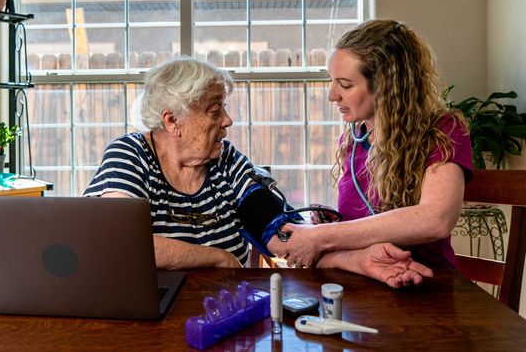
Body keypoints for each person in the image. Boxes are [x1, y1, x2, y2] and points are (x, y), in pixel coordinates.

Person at [84, 57, 432, 287]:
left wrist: (360, 259)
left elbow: (282, 236)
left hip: (220, 307)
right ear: (172, 120)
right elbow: (119, 241)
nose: (227, 121)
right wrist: (216, 258)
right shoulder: (130, 154)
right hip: (147, 313)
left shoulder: (228, 161)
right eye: (214, 110)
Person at [279, 20, 473, 269]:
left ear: (385, 86)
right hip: (362, 283)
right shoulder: (352, 140)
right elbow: (362, 225)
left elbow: (436, 219)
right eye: (332, 81)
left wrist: (323, 237)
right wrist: (334, 224)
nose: (332, 95)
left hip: (427, 288)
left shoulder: (443, 131)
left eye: (345, 84)